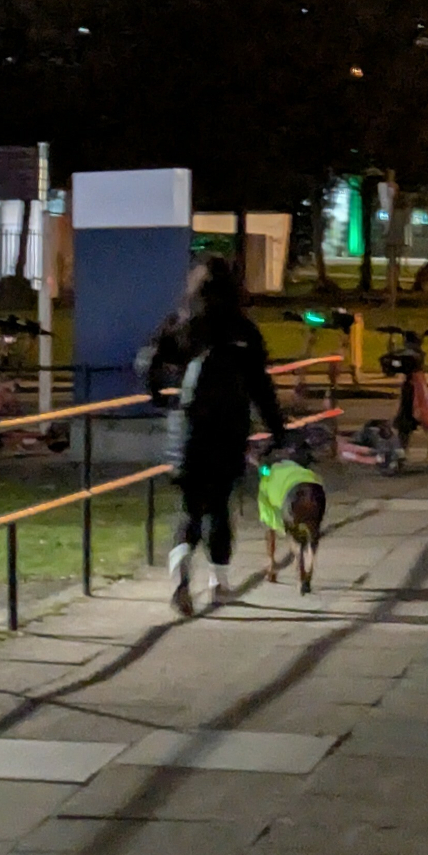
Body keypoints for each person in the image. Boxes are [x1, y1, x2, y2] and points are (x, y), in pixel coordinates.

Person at [148, 257, 286, 615]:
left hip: (187, 428)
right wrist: (278, 428)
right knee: (220, 506)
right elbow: (261, 386)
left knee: (190, 508)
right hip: (228, 427)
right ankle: (219, 583)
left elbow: (149, 360)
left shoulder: (182, 323)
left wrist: (159, 397)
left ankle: (180, 576)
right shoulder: (243, 331)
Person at [258, 449, 327, 592]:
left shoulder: (268, 473)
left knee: (296, 539)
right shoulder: (295, 465)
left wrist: (259, 466)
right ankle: (309, 572)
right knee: (313, 536)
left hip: (291, 493)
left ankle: (288, 571)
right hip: (315, 488)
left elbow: (264, 471)